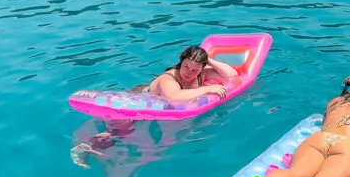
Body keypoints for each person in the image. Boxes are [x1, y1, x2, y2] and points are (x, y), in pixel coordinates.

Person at [70, 46, 236, 168]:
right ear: (180, 62)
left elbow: (232, 75)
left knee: (130, 135)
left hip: (157, 105)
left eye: (195, 69)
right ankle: (84, 147)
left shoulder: (201, 73)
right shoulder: (168, 78)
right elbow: (174, 97)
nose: (189, 72)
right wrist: (208, 88)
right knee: (118, 133)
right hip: (138, 98)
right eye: (186, 66)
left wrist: (209, 61)